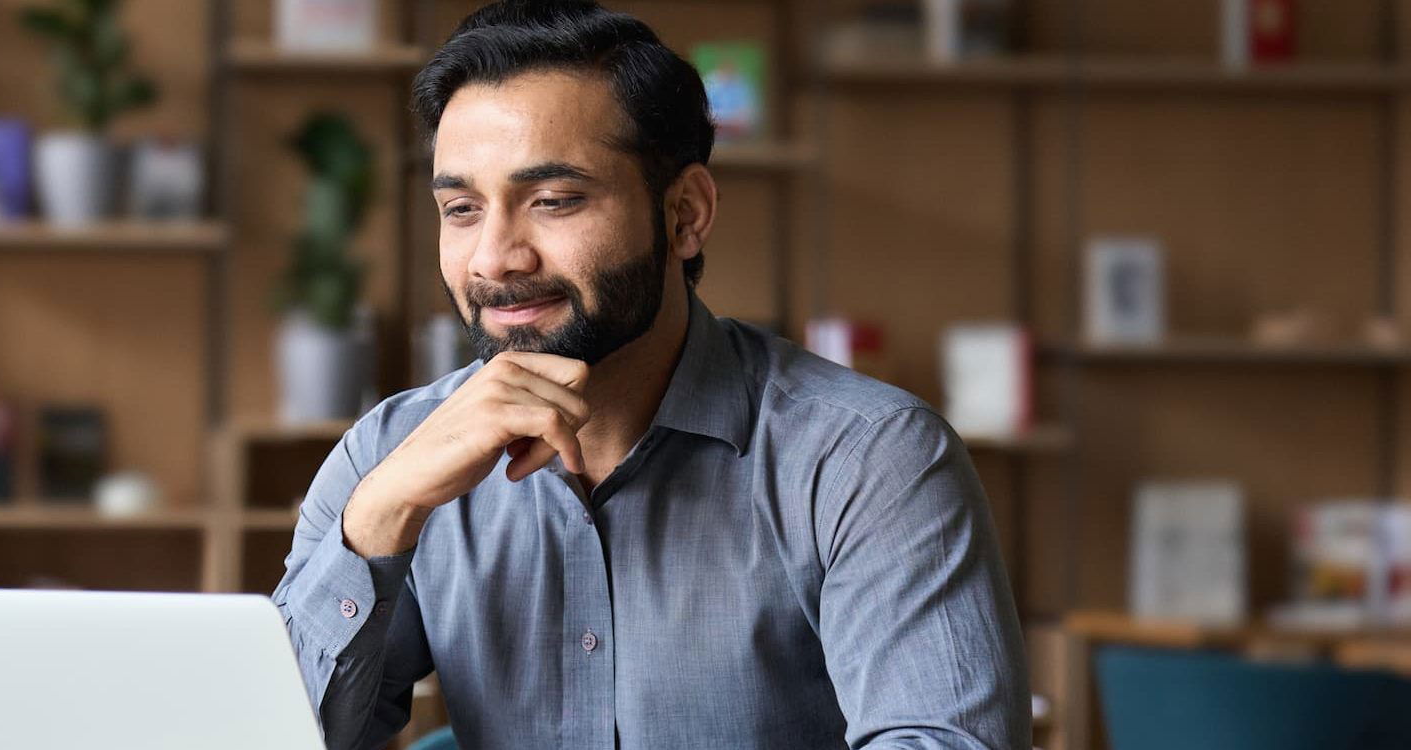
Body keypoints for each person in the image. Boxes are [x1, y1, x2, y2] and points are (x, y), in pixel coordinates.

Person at [271, 1, 1029, 748]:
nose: (495, 257)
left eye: (554, 200)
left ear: (685, 214)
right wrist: (377, 522)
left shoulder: (867, 459)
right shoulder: (388, 459)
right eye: (463, 208)